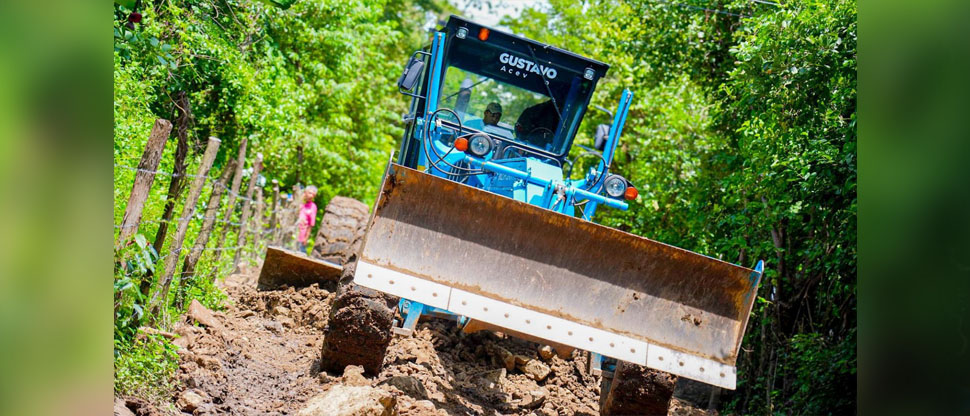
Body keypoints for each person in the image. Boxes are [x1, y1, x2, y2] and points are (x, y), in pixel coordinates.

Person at [296, 185, 318, 254]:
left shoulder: (313, 207)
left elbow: (311, 224)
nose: (311, 196)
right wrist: (301, 199)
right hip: (291, 234)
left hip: (301, 237)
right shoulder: (298, 202)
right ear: (305, 192)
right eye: (310, 193)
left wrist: (306, 238)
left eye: (313, 195)